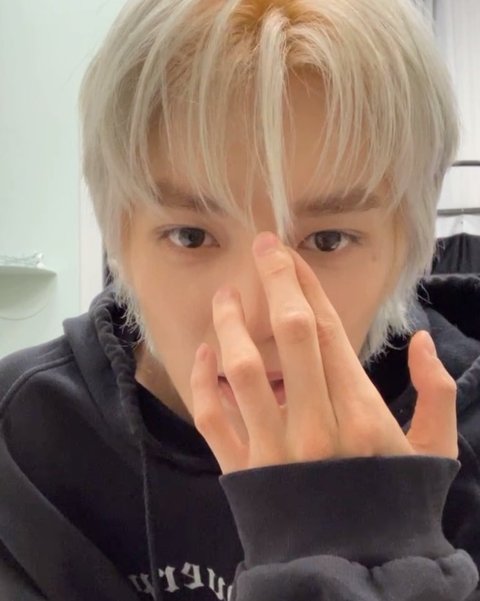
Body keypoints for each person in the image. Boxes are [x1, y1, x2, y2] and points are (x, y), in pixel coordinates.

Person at [0, 0, 479, 599]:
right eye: (190, 236)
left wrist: (383, 551)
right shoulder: (25, 443)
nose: (260, 320)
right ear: (120, 237)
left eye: (328, 240)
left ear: (407, 243)